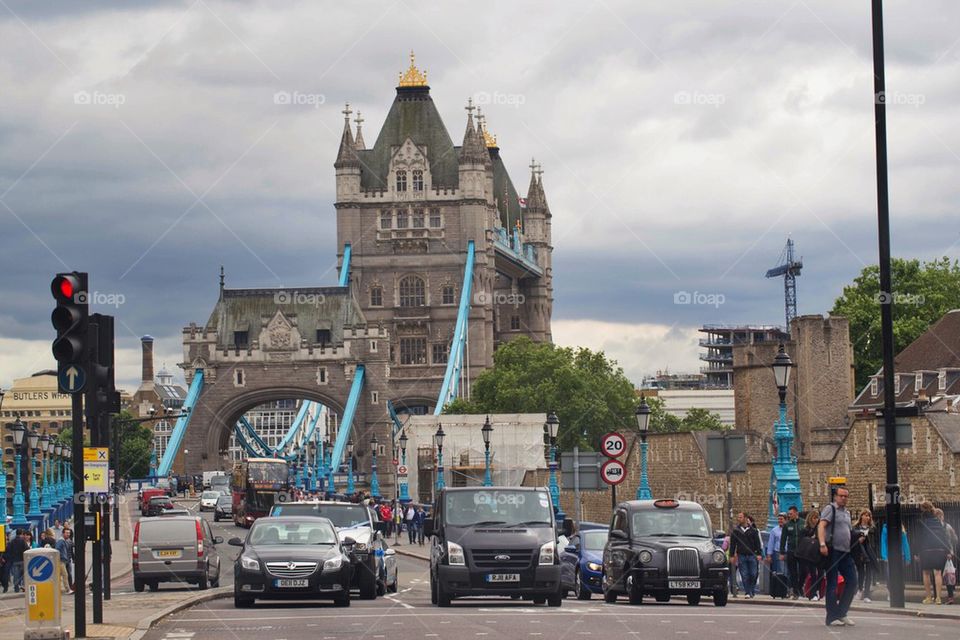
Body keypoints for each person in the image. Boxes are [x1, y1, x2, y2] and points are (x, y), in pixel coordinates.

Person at [819, 486, 858, 627]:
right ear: (835, 496)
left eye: (846, 496)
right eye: (841, 496)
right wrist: (822, 543)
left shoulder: (847, 513)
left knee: (853, 581)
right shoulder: (831, 509)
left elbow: (847, 531)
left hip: (845, 552)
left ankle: (842, 612)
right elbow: (821, 525)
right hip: (833, 551)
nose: (843, 498)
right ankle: (832, 615)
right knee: (833, 584)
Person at [915, 500, 950, 605]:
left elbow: (919, 538)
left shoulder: (922, 521)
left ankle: (929, 597)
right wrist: (947, 550)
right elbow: (944, 537)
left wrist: (917, 552)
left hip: (926, 549)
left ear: (923, 510)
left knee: (926, 573)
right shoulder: (938, 522)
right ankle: (938, 598)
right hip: (939, 549)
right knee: (938, 573)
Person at [729, 512, 763, 599]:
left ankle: (752, 590)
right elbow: (733, 544)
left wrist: (759, 554)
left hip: (752, 555)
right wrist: (731, 555)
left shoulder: (753, 531)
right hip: (742, 555)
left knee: (753, 573)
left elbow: (757, 543)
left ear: (745, 518)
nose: (738, 519)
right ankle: (747, 592)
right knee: (744, 574)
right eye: (738, 517)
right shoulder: (736, 531)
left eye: (740, 517)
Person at [852, 509, 876, 602]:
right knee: (861, 571)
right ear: (861, 516)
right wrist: (858, 541)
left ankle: (866, 594)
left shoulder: (872, 528)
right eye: (866, 515)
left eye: (869, 516)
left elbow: (875, 542)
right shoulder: (855, 527)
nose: (867, 517)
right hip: (859, 552)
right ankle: (859, 590)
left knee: (869, 573)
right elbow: (852, 539)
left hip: (869, 552)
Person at [800, 510, 825, 600]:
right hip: (809, 555)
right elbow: (802, 541)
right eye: (814, 518)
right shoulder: (805, 530)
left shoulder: (820, 529)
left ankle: (817, 590)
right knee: (813, 574)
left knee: (821, 574)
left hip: (818, 554)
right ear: (810, 518)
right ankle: (813, 593)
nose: (816, 520)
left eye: (817, 518)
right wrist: (811, 538)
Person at [934, 508, 956, 604]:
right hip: (948, 553)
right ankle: (950, 597)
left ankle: (936, 596)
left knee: (936, 574)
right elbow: (955, 539)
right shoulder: (948, 526)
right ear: (942, 516)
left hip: (937, 553)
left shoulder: (933, 527)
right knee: (948, 575)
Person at [779, 506, 802, 599]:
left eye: (791, 514)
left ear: (796, 513)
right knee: (793, 572)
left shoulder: (803, 523)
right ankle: (795, 592)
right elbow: (783, 539)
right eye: (788, 514)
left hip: (802, 552)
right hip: (791, 551)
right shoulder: (787, 525)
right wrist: (782, 552)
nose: (789, 515)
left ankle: (800, 588)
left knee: (802, 571)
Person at [55, 528, 75, 594]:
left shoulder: (66, 540)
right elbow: (57, 549)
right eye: (66, 533)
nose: (68, 534)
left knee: (59, 575)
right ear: (63, 533)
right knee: (65, 574)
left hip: (64, 560)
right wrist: (61, 556)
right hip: (61, 560)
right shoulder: (61, 541)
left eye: (69, 533)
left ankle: (58, 589)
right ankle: (67, 589)